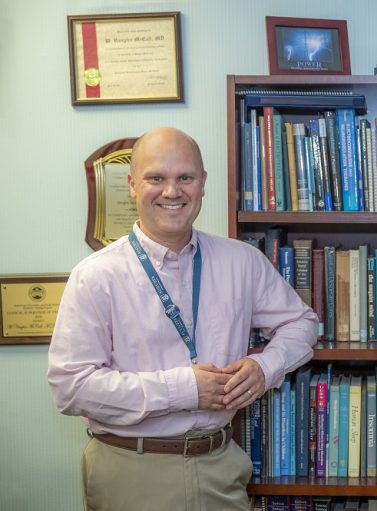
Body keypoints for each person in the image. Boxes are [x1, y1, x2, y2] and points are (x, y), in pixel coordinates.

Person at [48, 127, 318, 510]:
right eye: (156, 178)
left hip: (221, 465)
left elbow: (303, 324)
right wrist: (184, 390)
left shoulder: (242, 261)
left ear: (203, 183)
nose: (172, 191)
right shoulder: (95, 276)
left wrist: (265, 367)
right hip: (129, 468)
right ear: (132, 185)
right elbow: (70, 388)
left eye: (185, 178)